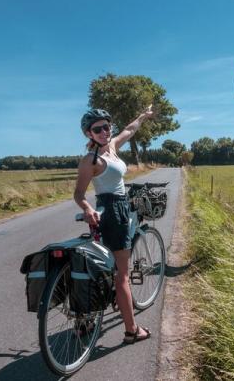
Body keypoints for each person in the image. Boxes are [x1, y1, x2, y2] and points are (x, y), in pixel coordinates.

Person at [74, 106, 155, 344]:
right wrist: (87, 209)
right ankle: (132, 330)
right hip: (111, 212)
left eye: (106, 126)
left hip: (119, 207)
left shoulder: (111, 147)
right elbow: (79, 194)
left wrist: (143, 115)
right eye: (97, 129)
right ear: (89, 134)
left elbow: (130, 130)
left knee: (103, 268)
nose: (103, 131)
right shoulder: (91, 160)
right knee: (122, 276)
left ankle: (86, 319)